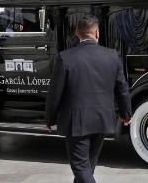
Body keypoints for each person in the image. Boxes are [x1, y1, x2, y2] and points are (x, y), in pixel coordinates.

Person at [45, 15, 132, 183]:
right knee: (88, 166)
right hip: (102, 119)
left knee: (81, 167)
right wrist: (126, 113)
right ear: (97, 33)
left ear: (77, 33)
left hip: (77, 122)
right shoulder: (112, 55)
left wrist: (50, 118)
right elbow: (122, 88)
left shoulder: (65, 57)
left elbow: (55, 93)